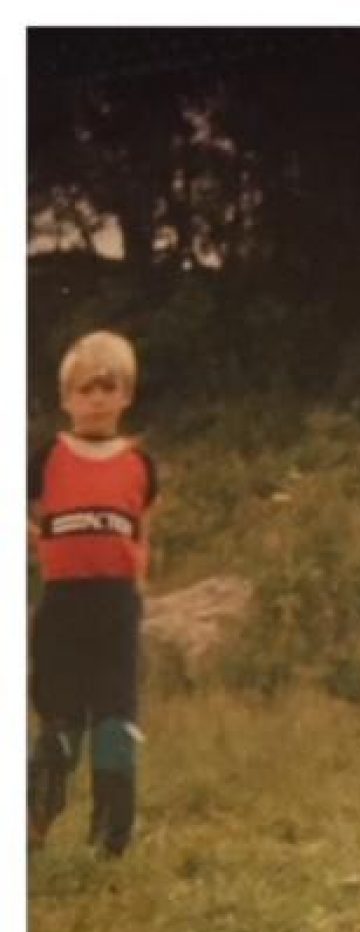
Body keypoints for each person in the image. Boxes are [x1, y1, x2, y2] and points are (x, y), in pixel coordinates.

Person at [28, 329, 158, 855]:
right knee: (59, 722)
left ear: (126, 395)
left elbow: (143, 531)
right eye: (86, 389)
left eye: (109, 387)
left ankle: (110, 839)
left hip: (117, 608)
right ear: (67, 399)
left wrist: (139, 583)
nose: (98, 399)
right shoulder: (47, 458)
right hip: (62, 605)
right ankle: (32, 820)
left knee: (114, 725)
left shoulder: (140, 464)